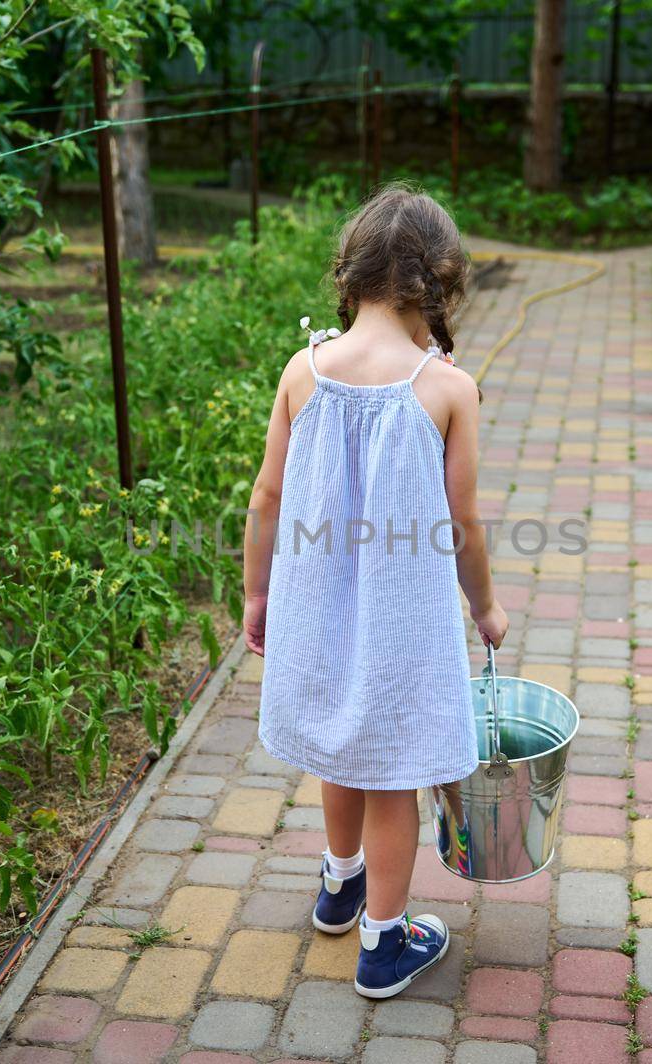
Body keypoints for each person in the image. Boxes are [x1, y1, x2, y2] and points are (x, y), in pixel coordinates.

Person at [241, 184, 508, 999]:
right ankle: (386, 945)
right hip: (401, 621)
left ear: (349, 276)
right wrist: (485, 609)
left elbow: (266, 498)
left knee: (343, 745)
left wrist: (257, 597)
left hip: (317, 608)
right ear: (440, 285)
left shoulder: (304, 368)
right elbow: (462, 522)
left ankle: (339, 885)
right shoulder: (448, 390)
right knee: (394, 767)